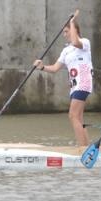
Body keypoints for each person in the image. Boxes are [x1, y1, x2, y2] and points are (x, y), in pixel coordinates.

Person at [33, 15, 90, 147]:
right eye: (64, 32)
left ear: (75, 30)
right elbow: (54, 68)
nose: (64, 34)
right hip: (74, 86)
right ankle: (87, 147)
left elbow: (76, 42)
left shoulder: (85, 43)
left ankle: (82, 149)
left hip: (84, 82)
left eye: (67, 31)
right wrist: (42, 67)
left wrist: (71, 22)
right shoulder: (66, 50)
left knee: (72, 115)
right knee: (79, 118)